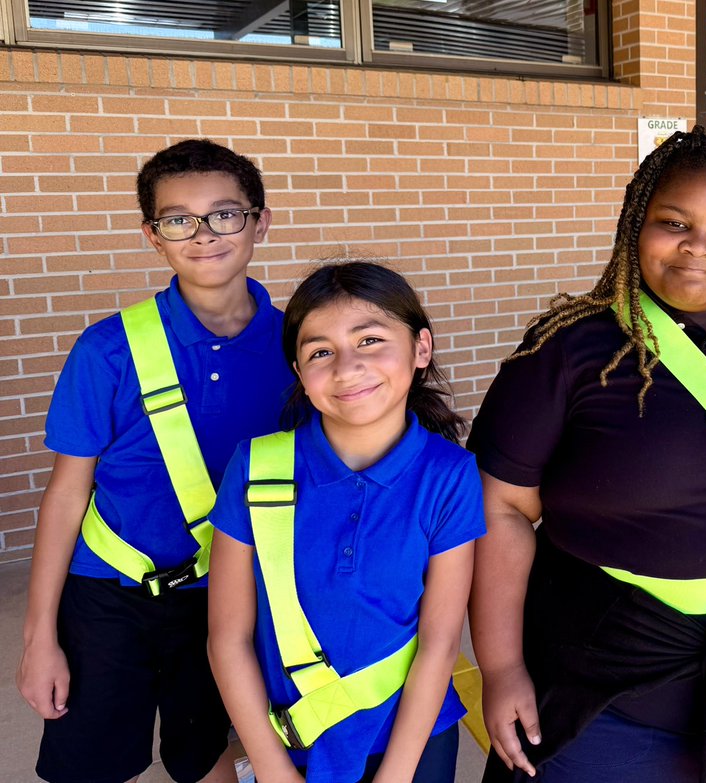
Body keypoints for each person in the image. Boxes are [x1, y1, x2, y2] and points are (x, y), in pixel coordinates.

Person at [468, 127, 706, 783]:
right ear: (635, 224)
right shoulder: (572, 348)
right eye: (674, 223)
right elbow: (499, 506)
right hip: (611, 688)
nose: (700, 247)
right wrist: (500, 668)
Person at [16, 139, 291, 783]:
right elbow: (66, 493)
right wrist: (39, 638)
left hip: (232, 597)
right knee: (90, 763)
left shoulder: (299, 347)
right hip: (111, 594)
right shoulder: (108, 349)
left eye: (225, 214)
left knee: (219, 758)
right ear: (153, 236)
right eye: (178, 220)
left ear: (260, 221)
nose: (203, 235)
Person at [207, 261, 485, 783]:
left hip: (412, 740)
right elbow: (227, 638)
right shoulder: (256, 467)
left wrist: (397, 774)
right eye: (320, 351)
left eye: (371, 340)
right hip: (291, 740)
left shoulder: (450, 476)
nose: (346, 367)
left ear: (420, 349)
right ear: (298, 370)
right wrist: (270, 768)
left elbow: (440, 643)